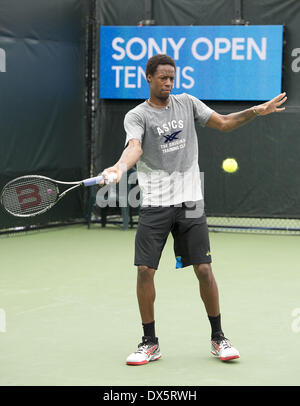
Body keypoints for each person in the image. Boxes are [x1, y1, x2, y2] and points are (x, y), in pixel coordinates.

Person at [102, 54, 287, 365]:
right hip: (156, 204)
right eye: (162, 77)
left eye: (171, 78)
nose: (168, 82)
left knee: (204, 270)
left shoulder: (187, 103)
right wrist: (120, 168)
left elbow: (225, 123)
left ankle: (218, 337)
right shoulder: (137, 116)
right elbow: (134, 146)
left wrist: (256, 111)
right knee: (145, 271)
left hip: (190, 202)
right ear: (148, 77)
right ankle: (150, 342)